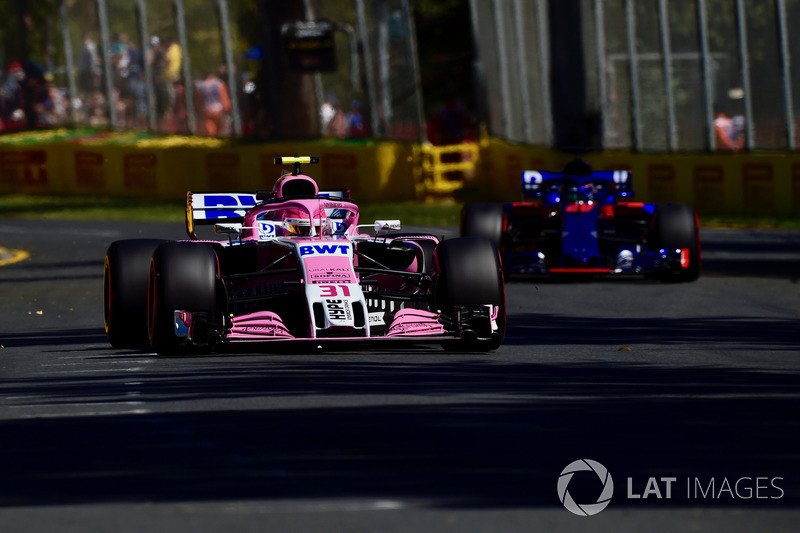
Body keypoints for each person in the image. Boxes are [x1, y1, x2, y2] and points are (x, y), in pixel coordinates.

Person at [194, 69, 231, 136]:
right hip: (218, 110)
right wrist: (227, 110)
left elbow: (198, 100)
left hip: (207, 110)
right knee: (220, 131)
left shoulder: (201, 85)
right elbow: (224, 98)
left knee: (210, 131)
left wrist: (198, 111)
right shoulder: (220, 84)